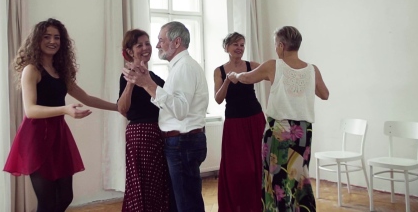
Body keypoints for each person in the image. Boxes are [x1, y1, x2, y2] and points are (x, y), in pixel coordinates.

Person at [4, 18, 118, 212]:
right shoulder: (31, 70)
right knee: (46, 201)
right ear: (37, 39)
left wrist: (117, 108)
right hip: (36, 138)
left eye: (57, 37)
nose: (52, 41)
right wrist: (64, 109)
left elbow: (87, 98)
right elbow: (30, 110)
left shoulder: (60, 71)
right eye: (47, 36)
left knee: (65, 196)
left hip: (58, 136)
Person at [227, 26, 329, 212]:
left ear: (281, 45)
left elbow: (247, 78)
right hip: (303, 133)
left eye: (275, 45)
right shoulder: (312, 69)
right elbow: (324, 94)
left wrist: (234, 75)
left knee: (276, 180)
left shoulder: (274, 65)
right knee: (298, 176)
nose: (275, 49)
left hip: (278, 132)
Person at [123, 21, 209, 212]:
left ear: (176, 42)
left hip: (182, 142)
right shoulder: (180, 67)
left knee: (187, 203)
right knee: (185, 200)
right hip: (183, 142)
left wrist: (147, 84)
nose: (156, 46)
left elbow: (179, 110)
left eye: (161, 40)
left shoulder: (184, 67)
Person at [117, 29, 171, 211]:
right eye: (139, 45)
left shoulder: (155, 78)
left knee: (157, 183)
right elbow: (123, 109)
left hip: (158, 133)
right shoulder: (126, 77)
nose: (145, 48)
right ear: (130, 51)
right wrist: (131, 82)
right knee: (141, 183)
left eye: (147, 43)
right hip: (140, 135)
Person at [214, 32, 266, 212]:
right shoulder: (219, 70)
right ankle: (238, 205)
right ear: (226, 47)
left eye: (242, 45)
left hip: (255, 119)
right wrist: (228, 81)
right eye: (235, 44)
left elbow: (271, 74)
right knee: (239, 169)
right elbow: (218, 99)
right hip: (234, 123)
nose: (239, 48)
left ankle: (260, 204)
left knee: (258, 164)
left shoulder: (252, 66)